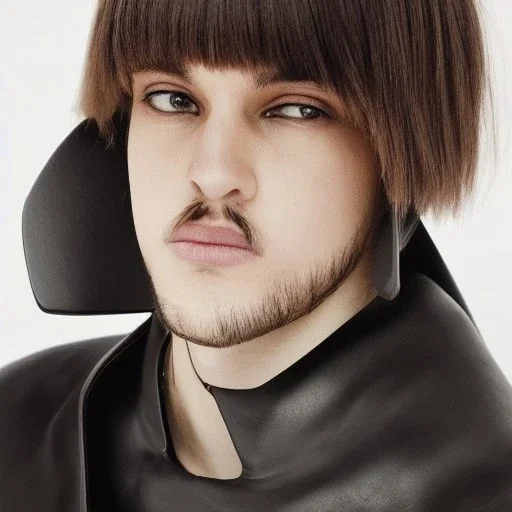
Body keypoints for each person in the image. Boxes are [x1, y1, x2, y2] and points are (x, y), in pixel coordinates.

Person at [1, 0, 511, 510]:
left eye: (297, 109)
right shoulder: (21, 426)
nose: (214, 173)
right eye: (173, 99)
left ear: (407, 144)